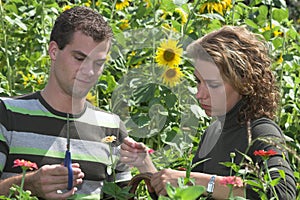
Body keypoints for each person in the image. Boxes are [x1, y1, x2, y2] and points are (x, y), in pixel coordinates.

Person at [120, 26, 296, 199]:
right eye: (198, 81)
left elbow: (282, 193)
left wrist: (197, 181)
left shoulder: (261, 131)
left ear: (243, 82)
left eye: (213, 84)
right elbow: (189, 195)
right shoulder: (213, 132)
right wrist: (145, 165)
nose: (199, 94)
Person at [0, 6, 131, 199]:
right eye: (79, 58)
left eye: (98, 63)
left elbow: (123, 196)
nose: (89, 71)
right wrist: (27, 184)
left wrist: (147, 170)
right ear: (54, 51)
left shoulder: (111, 128)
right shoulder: (7, 114)